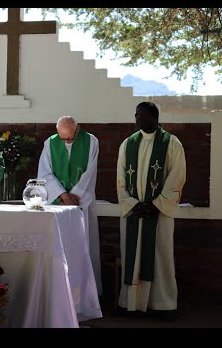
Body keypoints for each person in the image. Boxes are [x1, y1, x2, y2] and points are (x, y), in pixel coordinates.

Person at [117, 101, 186, 320]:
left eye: (141, 116)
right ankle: (131, 303)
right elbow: (120, 181)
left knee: (160, 257)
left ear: (154, 117)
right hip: (134, 214)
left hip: (159, 215)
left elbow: (177, 178)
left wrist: (156, 205)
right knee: (132, 256)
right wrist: (132, 204)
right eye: (136, 115)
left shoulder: (171, 143)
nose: (137, 119)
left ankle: (163, 304)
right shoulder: (128, 144)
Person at [37, 116, 103, 296]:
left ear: (78, 129)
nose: (66, 142)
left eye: (70, 138)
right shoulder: (50, 143)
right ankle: (59, 293)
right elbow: (45, 173)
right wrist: (63, 195)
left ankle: (86, 294)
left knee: (83, 249)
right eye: (62, 138)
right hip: (59, 206)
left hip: (81, 204)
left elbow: (90, 173)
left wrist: (76, 195)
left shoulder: (91, 141)